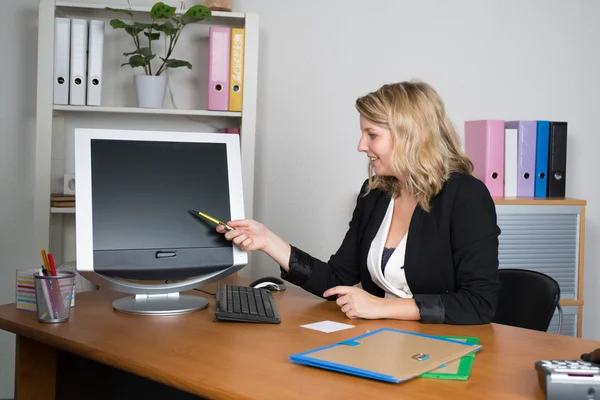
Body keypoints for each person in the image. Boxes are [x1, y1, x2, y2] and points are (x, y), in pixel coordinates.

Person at [217, 80, 501, 325]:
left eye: (372, 135)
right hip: (382, 340)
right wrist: (268, 241)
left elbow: (478, 303)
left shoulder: (466, 196)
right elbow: (336, 278)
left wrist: (381, 307)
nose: (361, 146)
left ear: (410, 137)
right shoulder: (375, 193)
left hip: (442, 346)